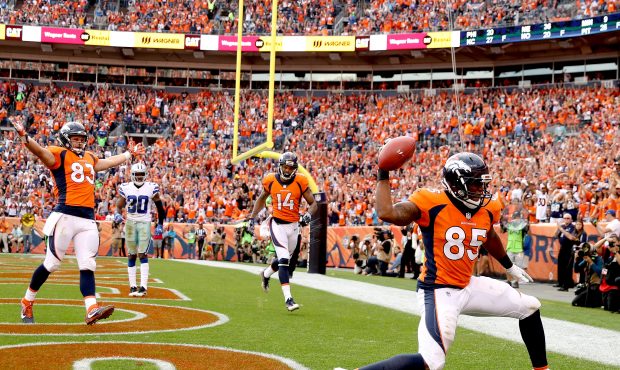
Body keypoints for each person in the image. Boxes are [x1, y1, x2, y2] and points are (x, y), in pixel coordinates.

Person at [359, 152, 548, 370]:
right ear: (456, 183)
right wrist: (383, 172)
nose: (481, 190)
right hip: (438, 290)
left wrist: (509, 265)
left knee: (530, 307)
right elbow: (387, 212)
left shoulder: (487, 207)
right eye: (475, 184)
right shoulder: (431, 202)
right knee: (432, 362)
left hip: (467, 284)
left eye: (482, 183)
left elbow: (488, 235)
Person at [13, 119, 144, 325]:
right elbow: (40, 152)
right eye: (75, 139)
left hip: (87, 219)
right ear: (66, 139)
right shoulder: (59, 153)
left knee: (88, 265)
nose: (79, 142)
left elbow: (107, 162)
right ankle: (27, 301)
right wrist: (24, 136)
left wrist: (129, 155)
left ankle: (91, 308)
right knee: (52, 264)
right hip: (65, 215)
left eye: (82, 139)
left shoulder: (90, 157)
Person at [247, 152, 317, 312]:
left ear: (294, 168)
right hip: (277, 224)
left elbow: (313, 204)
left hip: (293, 226)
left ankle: (265, 274)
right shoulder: (270, 180)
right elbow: (261, 198)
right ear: (280, 166)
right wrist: (252, 217)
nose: (286, 170)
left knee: (281, 261)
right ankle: (288, 299)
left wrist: (307, 214)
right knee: (284, 260)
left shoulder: (300, 181)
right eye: (284, 166)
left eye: (289, 167)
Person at [117, 162, 165, 297]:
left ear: (145, 175)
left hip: (144, 222)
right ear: (132, 174)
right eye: (136, 174)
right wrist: (117, 212)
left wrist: (160, 224)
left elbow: (160, 208)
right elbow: (119, 204)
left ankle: (143, 286)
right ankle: (132, 286)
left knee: (142, 254)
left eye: (141, 174)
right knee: (131, 254)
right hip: (131, 223)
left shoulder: (151, 187)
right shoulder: (125, 187)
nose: (139, 177)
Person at [555, 213, 577, 291]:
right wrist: (558, 228)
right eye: (565, 218)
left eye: (568, 218)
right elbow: (556, 235)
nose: (566, 220)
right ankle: (560, 282)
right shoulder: (563, 226)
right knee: (561, 265)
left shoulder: (572, 227)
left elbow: (570, 237)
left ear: (571, 219)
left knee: (567, 267)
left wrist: (561, 229)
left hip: (569, 248)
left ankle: (566, 284)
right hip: (562, 248)